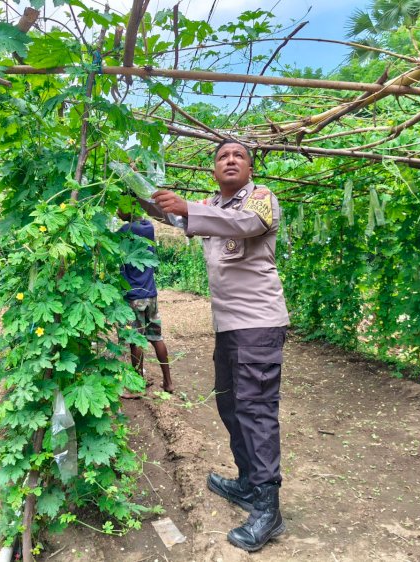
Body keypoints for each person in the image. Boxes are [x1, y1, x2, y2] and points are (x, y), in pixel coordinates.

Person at [146, 139, 289, 552]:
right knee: (231, 404)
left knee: (257, 410)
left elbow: (245, 225)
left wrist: (187, 207)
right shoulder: (213, 206)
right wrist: (143, 200)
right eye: (222, 156)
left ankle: (269, 508)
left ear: (249, 168)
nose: (230, 160)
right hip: (229, 328)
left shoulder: (260, 199)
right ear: (213, 169)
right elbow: (180, 220)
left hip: (259, 326)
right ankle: (247, 483)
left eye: (238, 156)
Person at [118, 209, 174, 394]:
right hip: (151, 293)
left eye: (120, 208)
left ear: (129, 207)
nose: (118, 212)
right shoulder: (148, 227)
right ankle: (168, 383)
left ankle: (137, 387)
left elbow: (105, 243)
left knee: (135, 340)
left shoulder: (125, 231)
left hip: (133, 296)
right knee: (156, 337)